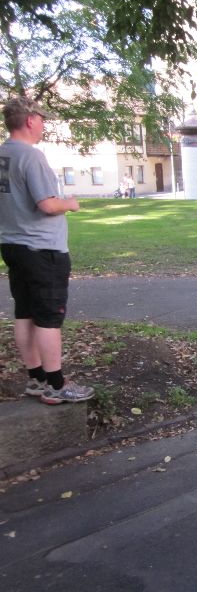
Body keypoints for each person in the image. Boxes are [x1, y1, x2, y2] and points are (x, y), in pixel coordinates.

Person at [0, 97, 94, 404]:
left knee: (25, 313)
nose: (43, 125)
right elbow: (48, 204)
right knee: (48, 319)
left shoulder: (3, 155)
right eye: (42, 119)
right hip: (42, 250)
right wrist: (71, 203)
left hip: (12, 245)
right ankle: (55, 385)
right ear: (30, 120)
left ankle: (36, 379)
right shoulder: (31, 156)